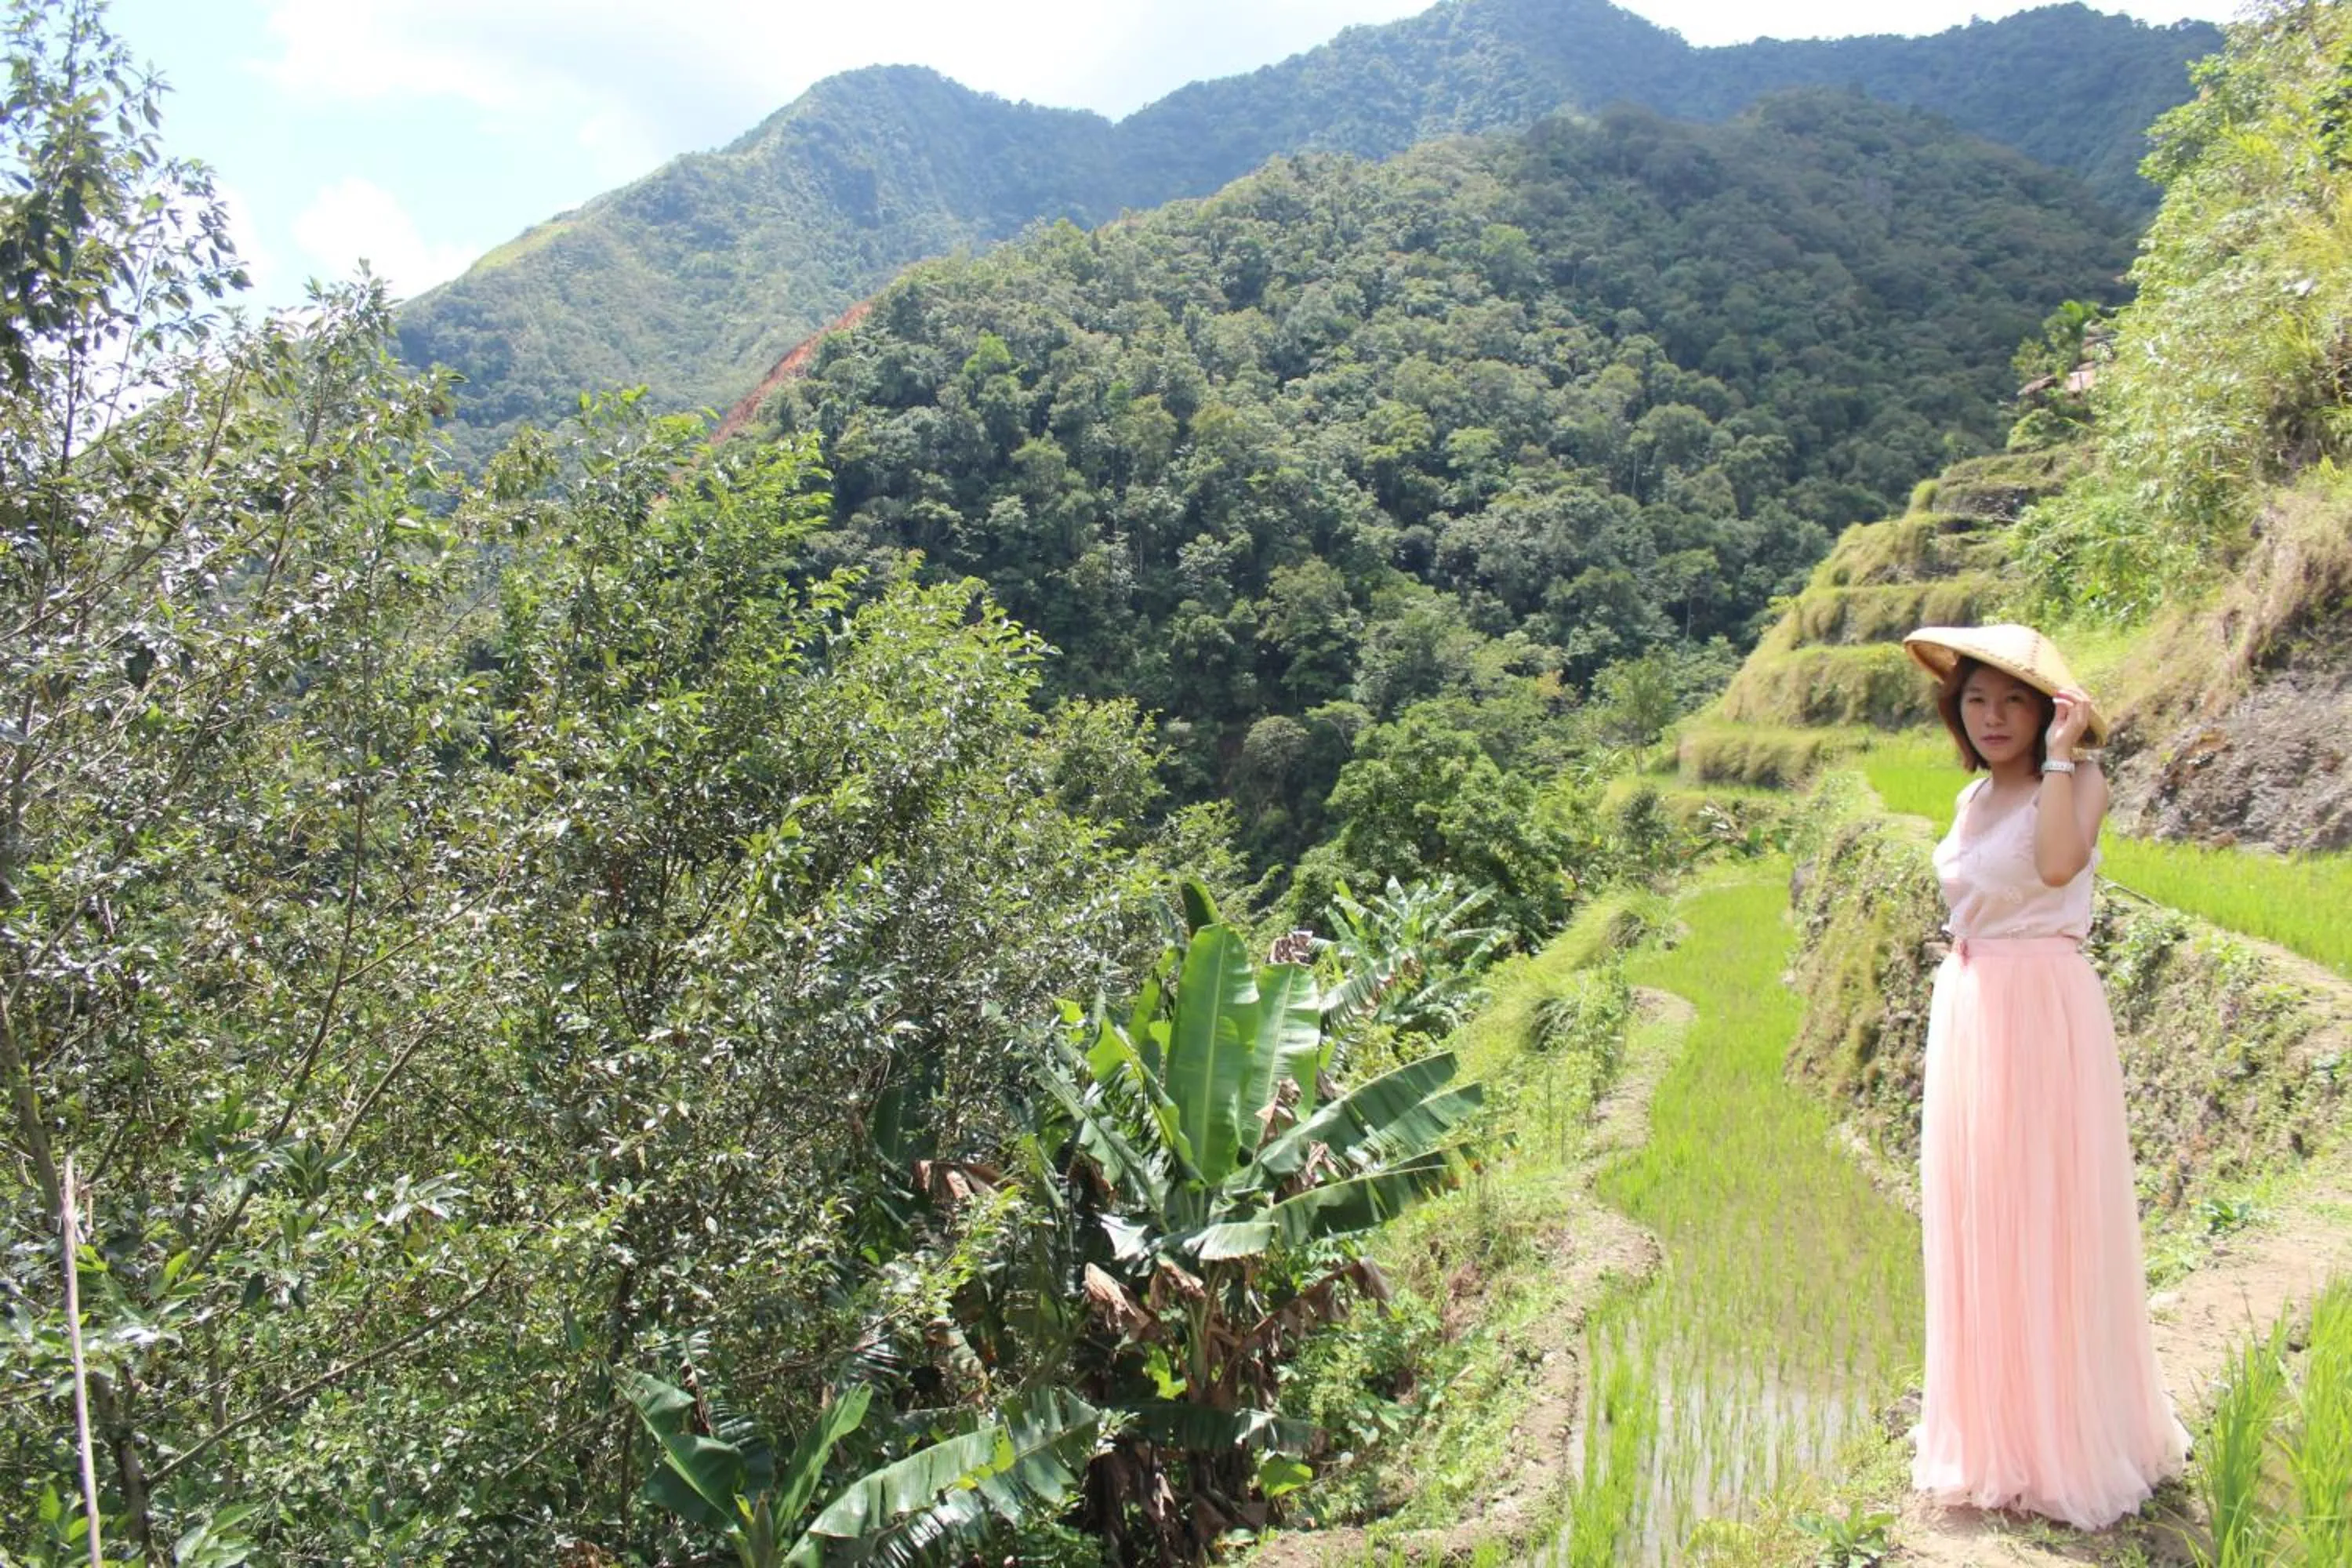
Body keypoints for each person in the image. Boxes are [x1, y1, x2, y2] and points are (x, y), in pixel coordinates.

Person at [1898, 623, 2190, 1530]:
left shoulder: (2081, 781)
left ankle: (2065, 1437)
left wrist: (2064, 757)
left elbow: (2060, 864)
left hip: (2043, 1007)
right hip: (1973, 1003)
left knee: (2048, 1211)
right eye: (1977, 699)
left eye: (2013, 701)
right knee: (1982, 1210)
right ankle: (1997, 1438)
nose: (1992, 716)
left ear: (2048, 710)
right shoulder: (1971, 798)